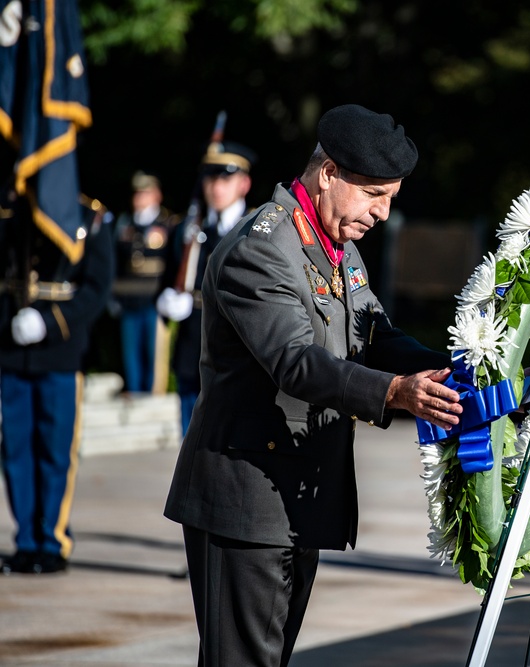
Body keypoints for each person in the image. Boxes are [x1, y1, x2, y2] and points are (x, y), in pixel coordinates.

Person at [162, 104, 463, 667]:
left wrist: (451, 368)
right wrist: (394, 392)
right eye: (375, 194)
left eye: (391, 197)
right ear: (328, 174)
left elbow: (373, 332)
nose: (382, 213)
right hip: (246, 500)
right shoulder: (261, 248)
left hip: (294, 495)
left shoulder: (335, 244)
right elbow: (295, 361)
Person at [0, 192, 114, 575]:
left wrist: (49, 323)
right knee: (16, 451)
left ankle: (51, 540)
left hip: (61, 352)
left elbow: (96, 288)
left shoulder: (87, 215)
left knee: (54, 452)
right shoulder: (10, 211)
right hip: (11, 348)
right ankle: (26, 540)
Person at [156, 140, 256, 437]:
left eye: (225, 178)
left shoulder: (255, 229)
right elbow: (167, 278)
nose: (216, 187)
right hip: (191, 348)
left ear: (244, 183)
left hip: (236, 353)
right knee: (190, 445)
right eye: (210, 178)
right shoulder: (187, 229)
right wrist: (166, 300)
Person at [111, 171, 178, 394]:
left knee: (154, 353)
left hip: (154, 299)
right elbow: (116, 263)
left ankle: (152, 394)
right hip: (128, 299)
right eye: (137, 193)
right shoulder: (124, 224)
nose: (140, 198)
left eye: (145, 193)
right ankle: (134, 391)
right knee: (130, 353)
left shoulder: (168, 223)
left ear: (156, 195)